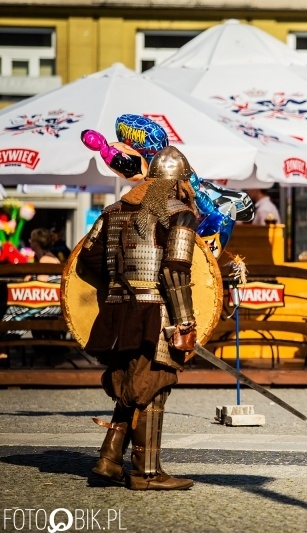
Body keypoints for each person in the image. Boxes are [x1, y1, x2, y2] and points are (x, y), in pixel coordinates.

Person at [78, 146, 199, 490]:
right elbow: (175, 271)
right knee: (153, 386)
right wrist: (185, 323)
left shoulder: (112, 211)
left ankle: (110, 459)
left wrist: (116, 286)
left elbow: (87, 258)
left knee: (133, 386)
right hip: (154, 313)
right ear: (178, 183)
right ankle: (147, 473)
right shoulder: (178, 214)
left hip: (116, 313)